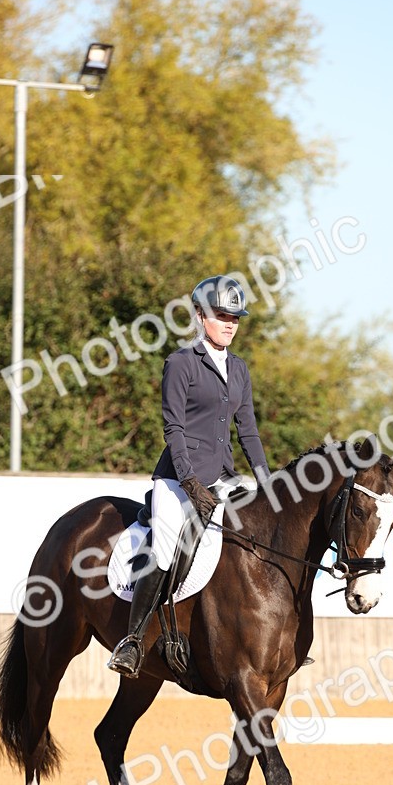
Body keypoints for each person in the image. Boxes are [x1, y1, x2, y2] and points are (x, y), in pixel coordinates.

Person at [108, 274, 270, 677]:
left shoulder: (240, 369)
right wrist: (191, 484)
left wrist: (268, 483)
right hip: (178, 479)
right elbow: (173, 429)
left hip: (225, 476)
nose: (230, 323)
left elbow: (247, 430)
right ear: (200, 316)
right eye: (221, 315)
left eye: (236, 317)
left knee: (260, 534)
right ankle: (132, 641)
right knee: (165, 546)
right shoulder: (180, 364)